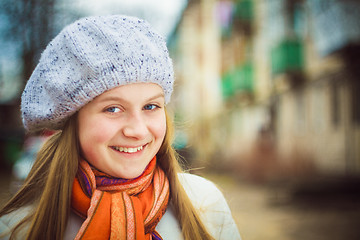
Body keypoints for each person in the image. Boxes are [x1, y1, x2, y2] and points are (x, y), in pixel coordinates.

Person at [0, 15, 241, 240]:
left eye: (150, 106)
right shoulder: (17, 229)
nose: (137, 130)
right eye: (113, 109)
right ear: (73, 121)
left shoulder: (204, 204)